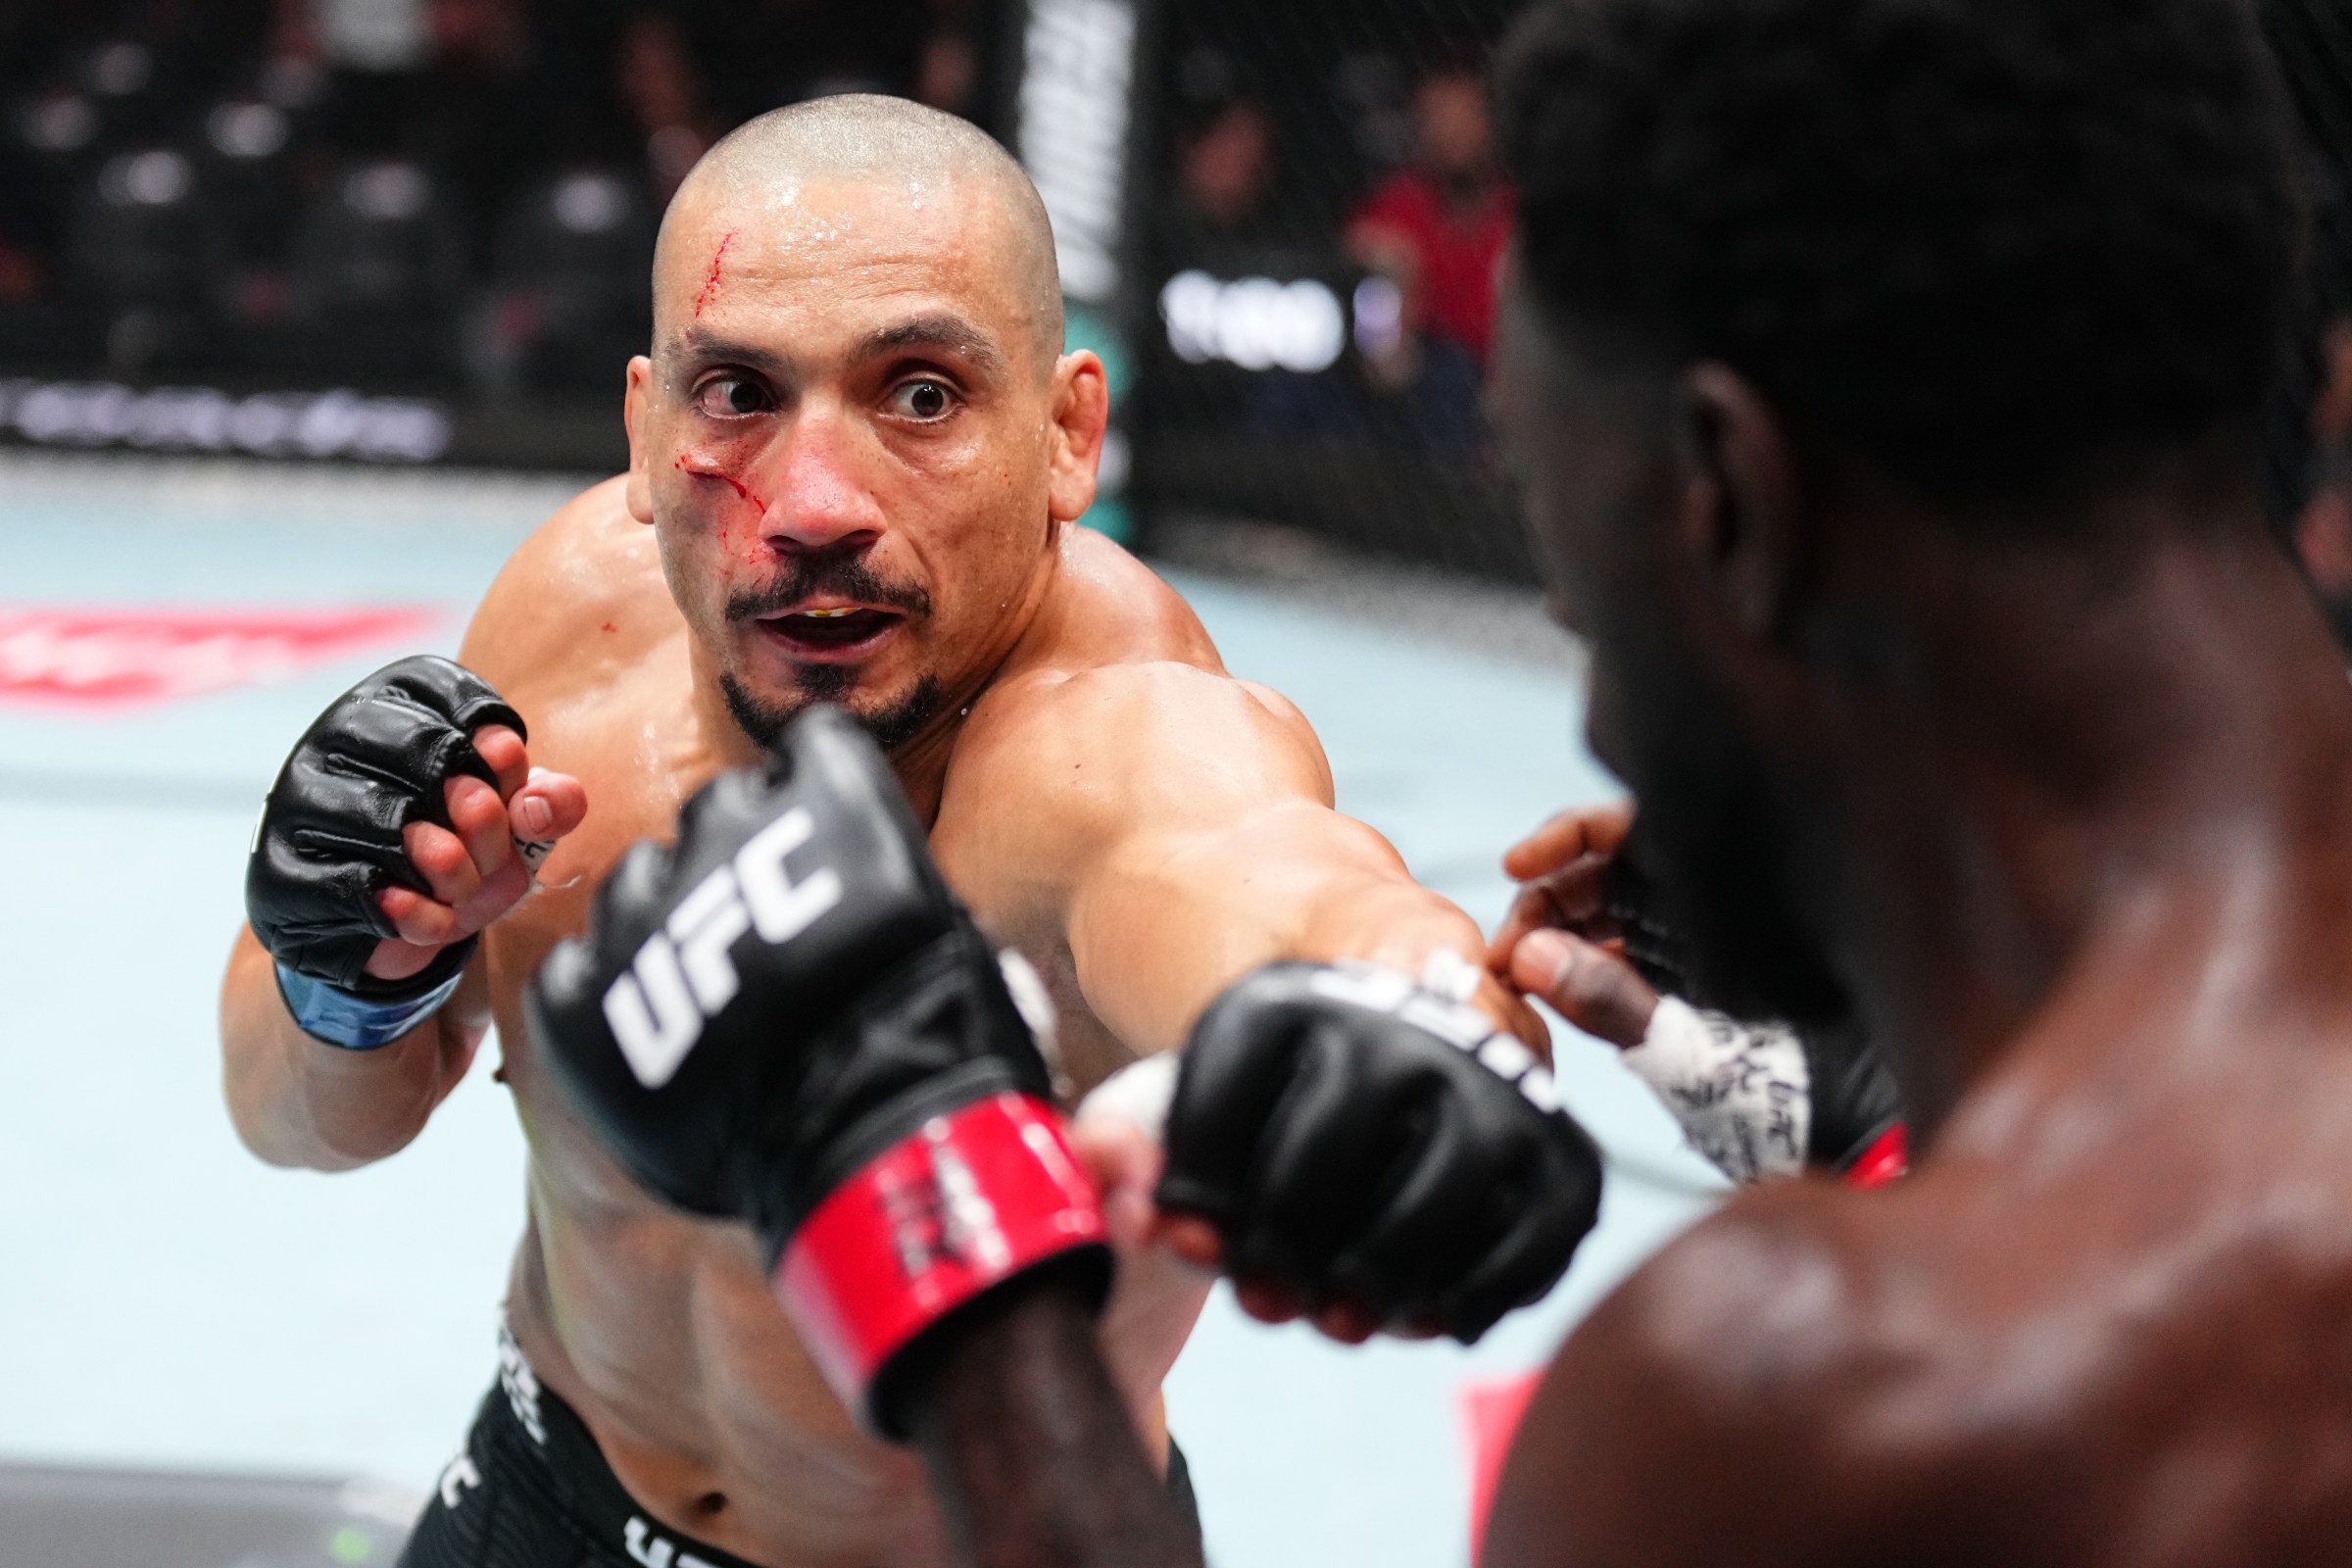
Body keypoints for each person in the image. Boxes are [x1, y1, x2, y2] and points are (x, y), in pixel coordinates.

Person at [220, 94, 1599, 1568]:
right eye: (739, 395)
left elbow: (1303, 906)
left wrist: (1421, 1022)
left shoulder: (1113, 746)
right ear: (644, 429)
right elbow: (293, 1123)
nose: (812, 508)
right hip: (547, 1496)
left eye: (922, 395)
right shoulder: (578, 623)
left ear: (1070, 434)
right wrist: (349, 975)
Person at [1458, 0, 2352, 1558]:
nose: (1599, 713)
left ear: (1731, 501)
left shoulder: (1813, 1400)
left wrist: (958, 1226)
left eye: (1570, 567)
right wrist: (1904, 1108)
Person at [1346, 62, 1513, 444]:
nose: (1450, 134)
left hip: (1492, 398)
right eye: (1437, 118)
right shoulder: (1391, 210)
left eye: (1463, 118)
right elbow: (1370, 337)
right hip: (1399, 390)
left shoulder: (1522, 223)